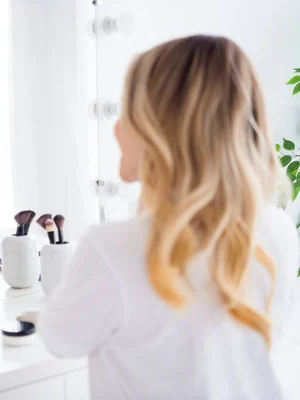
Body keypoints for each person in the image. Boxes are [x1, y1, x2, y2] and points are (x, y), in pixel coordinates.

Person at [37, 35, 299, 399]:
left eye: (127, 111)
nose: (115, 127)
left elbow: (59, 338)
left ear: (161, 133)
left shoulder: (111, 249)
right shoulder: (277, 229)